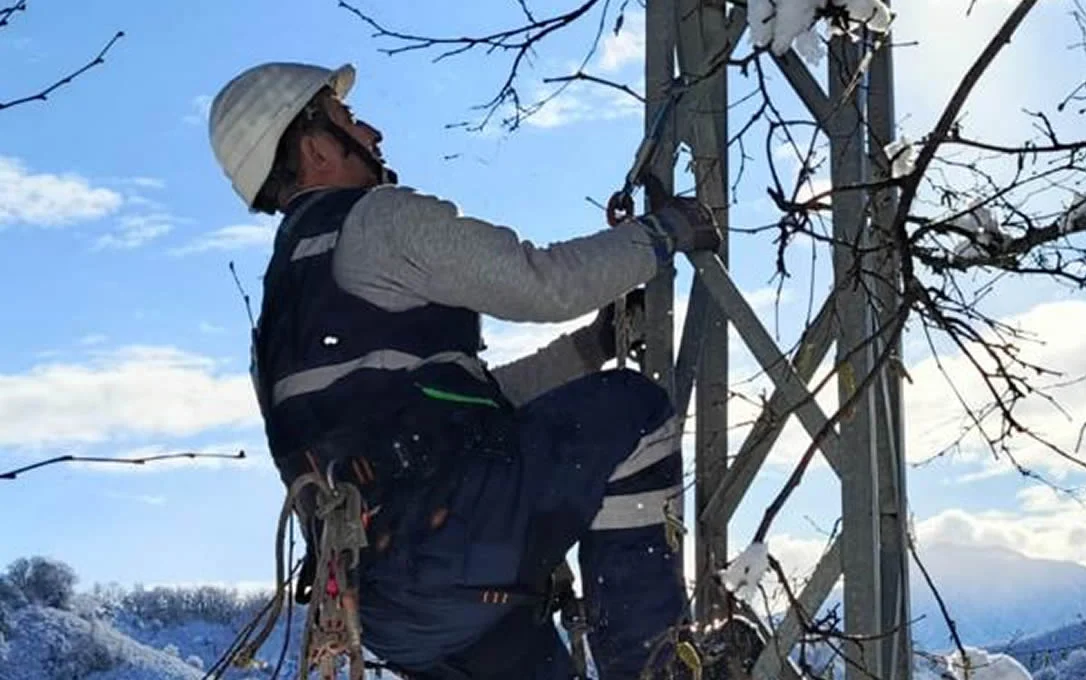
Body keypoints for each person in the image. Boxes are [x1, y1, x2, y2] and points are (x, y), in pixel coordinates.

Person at [206, 61, 723, 679]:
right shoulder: (376, 221)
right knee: (631, 413)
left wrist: (589, 347)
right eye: (347, 120)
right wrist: (662, 234)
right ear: (317, 148)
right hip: (450, 533)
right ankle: (655, 666)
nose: (371, 133)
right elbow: (543, 283)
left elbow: (466, 404)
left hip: (389, 603)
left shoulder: (284, 309)